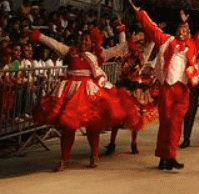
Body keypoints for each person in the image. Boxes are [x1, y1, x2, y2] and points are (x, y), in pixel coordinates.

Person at [30, 26, 141, 170]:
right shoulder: (71, 51)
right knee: (68, 127)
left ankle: (94, 157)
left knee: (92, 126)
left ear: (92, 42)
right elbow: (54, 44)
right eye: (82, 38)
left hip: (87, 92)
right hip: (69, 92)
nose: (83, 41)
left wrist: (123, 34)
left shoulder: (98, 54)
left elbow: (117, 49)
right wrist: (39, 37)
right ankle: (64, 159)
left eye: (86, 39)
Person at [129, 0, 199, 171]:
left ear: (189, 31)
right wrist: (140, 13)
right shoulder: (167, 41)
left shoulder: (194, 43)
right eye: (180, 29)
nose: (183, 32)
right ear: (176, 30)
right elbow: (152, 28)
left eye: (186, 29)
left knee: (176, 122)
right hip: (167, 89)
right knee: (165, 123)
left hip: (183, 89)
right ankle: (164, 158)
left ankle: (170, 156)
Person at [106, 26, 157, 155]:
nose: (139, 46)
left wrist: (152, 30)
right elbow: (123, 44)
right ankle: (112, 143)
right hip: (123, 88)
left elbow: (151, 44)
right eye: (136, 44)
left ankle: (133, 143)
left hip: (135, 89)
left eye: (140, 44)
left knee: (136, 116)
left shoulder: (142, 57)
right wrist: (122, 31)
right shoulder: (125, 55)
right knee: (118, 117)